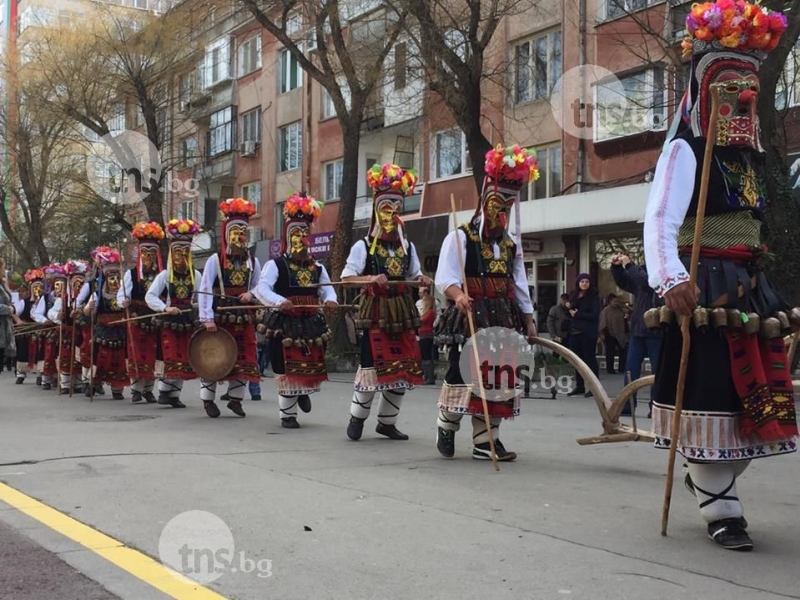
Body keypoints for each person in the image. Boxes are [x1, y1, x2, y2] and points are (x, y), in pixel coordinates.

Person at [643, 0, 796, 551]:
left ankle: (710, 481)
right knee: (713, 394)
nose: (742, 98)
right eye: (728, 86)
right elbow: (659, 217)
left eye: (748, 86)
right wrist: (670, 279)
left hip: (748, 289)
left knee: (758, 403)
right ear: (704, 92)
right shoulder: (687, 148)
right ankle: (721, 506)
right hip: (703, 284)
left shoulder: (748, 158)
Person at [434, 144, 539, 461]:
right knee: (461, 374)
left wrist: (529, 318)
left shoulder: (510, 244)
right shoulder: (461, 236)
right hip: (470, 316)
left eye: (508, 205)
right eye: (497, 203)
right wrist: (458, 295)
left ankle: (486, 440)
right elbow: (444, 277)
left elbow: (519, 282)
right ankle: (446, 424)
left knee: (498, 377)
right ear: (485, 201)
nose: (501, 212)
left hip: (503, 319)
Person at [341, 163, 431, 441]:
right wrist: (369, 279)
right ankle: (357, 418)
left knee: (402, 366)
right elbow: (346, 278)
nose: (391, 213)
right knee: (370, 366)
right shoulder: (363, 246)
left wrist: (422, 280)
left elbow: (414, 274)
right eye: (386, 208)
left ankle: (386, 422)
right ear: (377, 211)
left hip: (402, 312)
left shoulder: (408, 246)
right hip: (376, 312)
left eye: (396, 208)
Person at [256, 194, 337, 428]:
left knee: (309, 361)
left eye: (305, 234)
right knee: (283, 363)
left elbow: (328, 290)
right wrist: (279, 301)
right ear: (288, 237)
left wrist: (330, 300)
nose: (301, 238)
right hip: (284, 322)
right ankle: (288, 415)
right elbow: (262, 289)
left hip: (310, 322)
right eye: (296, 234)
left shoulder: (317, 267)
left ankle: (302, 392)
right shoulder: (275, 264)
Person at [197, 198, 261, 418]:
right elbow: (205, 288)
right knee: (214, 357)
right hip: (220, 316)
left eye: (243, 231)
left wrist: (251, 294)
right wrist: (207, 318)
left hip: (243, 316)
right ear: (226, 233)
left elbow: (259, 286)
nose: (239, 235)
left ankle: (235, 399)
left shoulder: (253, 261)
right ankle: (207, 400)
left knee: (244, 358)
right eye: (235, 230)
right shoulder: (215, 260)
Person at [145, 219, 202, 408]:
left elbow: (201, 298)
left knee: (185, 356)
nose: (181, 256)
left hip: (188, 320)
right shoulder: (164, 275)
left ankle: (175, 394)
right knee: (170, 354)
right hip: (170, 319)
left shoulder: (197, 275)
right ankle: (163, 391)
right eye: (178, 252)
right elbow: (150, 296)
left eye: (185, 252)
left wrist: (197, 307)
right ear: (172, 254)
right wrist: (165, 308)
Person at [118, 222, 164, 404]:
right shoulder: (131, 274)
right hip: (137, 317)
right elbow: (122, 294)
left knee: (154, 353)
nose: (148, 258)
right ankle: (136, 389)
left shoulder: (162, 274)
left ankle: (148, 389)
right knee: (137, 353)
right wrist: (124, 302)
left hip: (155, 318)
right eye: (145, 254)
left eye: (152, 255)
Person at [610, 253, 660, 417]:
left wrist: (630, 266)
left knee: (657, 373)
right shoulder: (641, 276)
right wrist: (617, 267)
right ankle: (627, 406)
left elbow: (646, 283)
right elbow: (624, 281)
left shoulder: (661, 278)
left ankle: (656, 407)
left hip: (657, 331)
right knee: (630, 370)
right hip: (638, 331)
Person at [77, 247, 129, 399]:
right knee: (99, 358)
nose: (115, 282)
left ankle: (117, 389)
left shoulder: (124, 294)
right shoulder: (97, 292)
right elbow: (86, 310)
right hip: (103, 330)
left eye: (117, 278)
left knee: (119, 359)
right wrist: (89, 308)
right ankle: (92, 383)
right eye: (111, 278)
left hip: (120, 329)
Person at [48, 260, 88, 395]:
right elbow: (51, 313)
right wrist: (57, 316)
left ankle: (78, 383)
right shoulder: (63, 299)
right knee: (66, 357)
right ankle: (65, 383)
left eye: (81, 284)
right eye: (76, 284)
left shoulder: (88, 298)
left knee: (79, 357)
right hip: (68, 331)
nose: (79, 287)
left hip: (82, 332)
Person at [567, 273, 600, 397]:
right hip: (574, 332)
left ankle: (594, 388)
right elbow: (570, 312)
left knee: (589, 360)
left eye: (586, 281)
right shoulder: (574, 295)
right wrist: (568, 308)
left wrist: (578, 314)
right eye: (582, 282)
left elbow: (594, 315)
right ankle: (579, 386)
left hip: (587, 333)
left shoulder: (593, 297)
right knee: (577, 360)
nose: (584, 284)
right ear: (578, 283)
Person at [599, 293, 628, 375]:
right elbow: (603, 322)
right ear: (610, 301)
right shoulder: (606, 310)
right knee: (610, 352)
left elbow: (623, 320)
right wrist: (604, 333)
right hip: (609, 334)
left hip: (620, 333)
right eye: (614, 301)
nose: (616, 302)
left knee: (623, 350)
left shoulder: (619, 309)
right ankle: (610, 369)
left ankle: (621, 368)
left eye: (617, 301)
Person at [0, 258, 16, 374]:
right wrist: (7, 309)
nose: (4, 270)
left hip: (4, 330)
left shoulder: (2, 284)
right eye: (3, 267)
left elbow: (9, 301)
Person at [418, 290, 437, 385]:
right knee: (424, 355)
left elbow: (422, 320)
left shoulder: (430, 312)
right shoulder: (427, 312)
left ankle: (429, 377)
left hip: (426, 334)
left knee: (426, 356)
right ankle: (426, 376)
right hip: (423, 334)